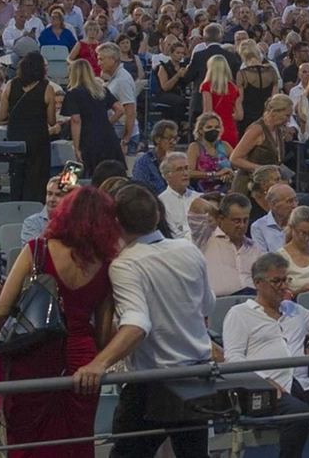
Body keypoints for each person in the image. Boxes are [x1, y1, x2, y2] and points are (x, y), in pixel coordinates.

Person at [70, 185, 214, 458]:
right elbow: (207, 305)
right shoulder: (188, 249)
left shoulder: (126, 264)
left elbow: (137, 324)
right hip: (196, 376)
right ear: (157, 216)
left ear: (115, 223)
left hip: (152, 382)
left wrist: (98, 363)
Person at [0, 187, 118, 458]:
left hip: (33, 353)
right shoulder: (106, 263)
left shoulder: (37, 249)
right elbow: (104, 333)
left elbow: (0, 311)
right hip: (82, 360)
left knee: (27, 440)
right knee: (77, 441)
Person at [222, 253, 309, 458]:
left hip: (302, 383)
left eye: (285, 280)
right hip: (267, 390)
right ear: (257, 283)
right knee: (299, 414)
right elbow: (233, 359)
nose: (282, 286)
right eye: (276, 281)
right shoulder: (239, 314)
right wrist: (263, 381)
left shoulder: (293, 309)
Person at [1, 50, 58, 204]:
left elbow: (2, 115)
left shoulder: (10, 85)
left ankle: (15, 208)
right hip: (37, 139)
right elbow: (52, 121)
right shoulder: (47, 88)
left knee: (16, 177)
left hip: (15, 138)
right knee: (37, 180)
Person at [199, 192, 264, 297]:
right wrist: (215, 212)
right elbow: (197, 204)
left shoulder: (254, 247)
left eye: (245, 220)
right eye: (236, 221)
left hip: (251, 302)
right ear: (221, 219)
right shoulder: (205, 240)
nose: (242, 225)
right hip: (219, 303)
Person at [230, 93, 295, 196]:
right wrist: (261, 169)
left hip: (266, 190)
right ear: (276, 111)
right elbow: (234, 158)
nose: (289, 120)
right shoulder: (257, 129)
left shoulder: (277, 130)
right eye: (287, 115)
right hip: (248, 189)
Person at [64, 60, 122, 169]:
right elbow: (119, 110)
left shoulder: (73, 93)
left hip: (88, 138)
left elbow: (76, 120)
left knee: (91, 175)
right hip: (108, 136)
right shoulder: (102, 90)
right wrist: (106, 123)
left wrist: (76, 147)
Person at [201, 55, 243, 148]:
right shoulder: (233, 87)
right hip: (230, 129)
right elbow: (240, 116)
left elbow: (208, 111)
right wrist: (227, 116)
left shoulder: (207, 86)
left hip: (214, 130)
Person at [157, 153, 201, 242]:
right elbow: (175, 235)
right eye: (179, 170)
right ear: (167, 175)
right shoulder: (162, 202)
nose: (185, 173)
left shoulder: (199, 198)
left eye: (186, 168)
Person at [131, 121, 181, 196]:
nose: (174, 142)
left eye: (175, 138)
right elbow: (139, 190)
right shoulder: (143, 162)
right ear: (157, 139)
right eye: (170, 138)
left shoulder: (177, 160)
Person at [250, 183, 299, 252]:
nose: (295, 205)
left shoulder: (301, 224)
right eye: (290, 201)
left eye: (296, 200)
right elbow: (262, 258)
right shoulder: (258, 227)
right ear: (273, 204)